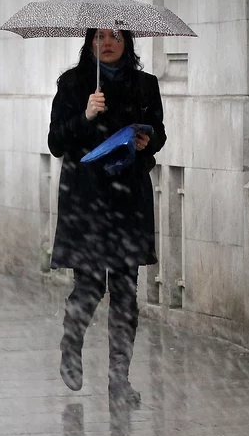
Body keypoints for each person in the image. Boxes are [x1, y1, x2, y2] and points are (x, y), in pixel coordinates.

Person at [48, 28, 166, 405]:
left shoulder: (145, 84)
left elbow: (160, 133)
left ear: (127, 42)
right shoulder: (73, 84)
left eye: (116, 36)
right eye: (99, 37)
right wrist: (85, 115)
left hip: (128, 196)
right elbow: (55, 143)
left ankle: (119, 379)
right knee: (90, 284)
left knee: (125, 290)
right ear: (90, 43)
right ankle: (71, 345)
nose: (108, 42)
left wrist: (149, 141)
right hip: (86, 198)